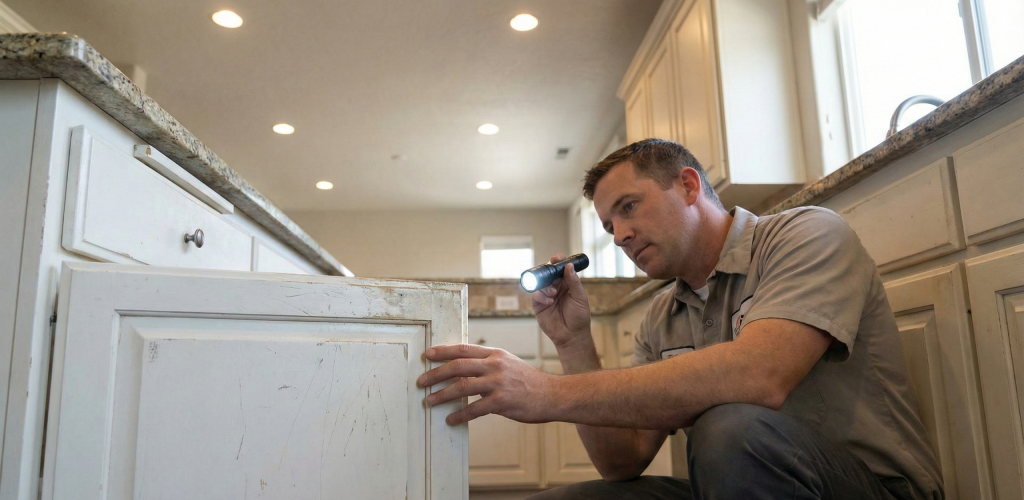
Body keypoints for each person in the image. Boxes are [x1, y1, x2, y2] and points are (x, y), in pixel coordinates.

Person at [417, 138, 943, 500]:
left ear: (689, 186)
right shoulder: (662, 316)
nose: (619, 235)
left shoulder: (805, 235)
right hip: (727, 487)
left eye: (629, 206)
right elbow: (622, 463)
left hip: (868, 488)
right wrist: (574, 343)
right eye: (608, 225)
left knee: (730, 426)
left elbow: (760, 376)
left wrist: (544, 393)